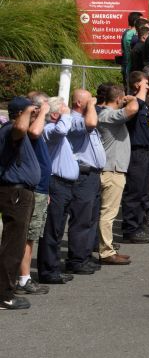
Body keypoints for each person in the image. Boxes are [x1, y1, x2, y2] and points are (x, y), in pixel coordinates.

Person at [0, 97, 41, 309]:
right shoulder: (11, 129)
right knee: (13, 246)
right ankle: (4, 296)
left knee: (15, 245)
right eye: (31, 112)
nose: (35, 114)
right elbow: (20, 128)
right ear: (19, 113)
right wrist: (27, 110)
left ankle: (5, 291)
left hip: (22, 193)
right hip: (15, 193)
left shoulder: (18, 130)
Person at [121, 71, 149, 243]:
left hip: (146, 151)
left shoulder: (143, 102)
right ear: (137, 85)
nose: (148, 86)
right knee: (134, 192)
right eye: (145, 83)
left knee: (144, 190)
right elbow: (138, 105)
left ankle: (141, 223)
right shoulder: (132, 102)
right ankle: (131, 229)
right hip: (135, 151)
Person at [37, 97, 78, 285]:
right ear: (55, 115)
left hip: (65, 186)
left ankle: (53, 268)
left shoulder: (58, 130)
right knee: (52, 229)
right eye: (64, 110)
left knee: (59, 228)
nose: (67, 112)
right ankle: (48, 271)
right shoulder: (49, 129)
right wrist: (66, 115)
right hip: (56, 184)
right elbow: (61, 130)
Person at [96, 84, 138, 265]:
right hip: (111, 171)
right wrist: (133, 98)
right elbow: (133, 109)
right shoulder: (108, 115)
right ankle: (106, 252)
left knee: (107, 212)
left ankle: (107, 247)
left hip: (112, 169)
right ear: (119, 99)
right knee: (108, 213)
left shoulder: (107, 114)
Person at [66, 89, 106, 275]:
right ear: (78, 103)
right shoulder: (73, 119)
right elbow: (90, 123)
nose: (94, 103)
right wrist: (91, 105)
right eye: (89, 101)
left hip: (93, 175)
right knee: (81, 219)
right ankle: (76, 260)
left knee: (91, 218)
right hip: (82, 176)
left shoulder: (86, 117)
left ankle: (85, 256)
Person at [15, 93, 51, 296]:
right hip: (33, 190)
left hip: (41, 189)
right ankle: (23, 278)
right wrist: (42, 112)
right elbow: (34, 132)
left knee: (31, 236)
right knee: (27, 236)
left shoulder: (37, 124)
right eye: (45, 105)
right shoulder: (31, 126)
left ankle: (24, 276)